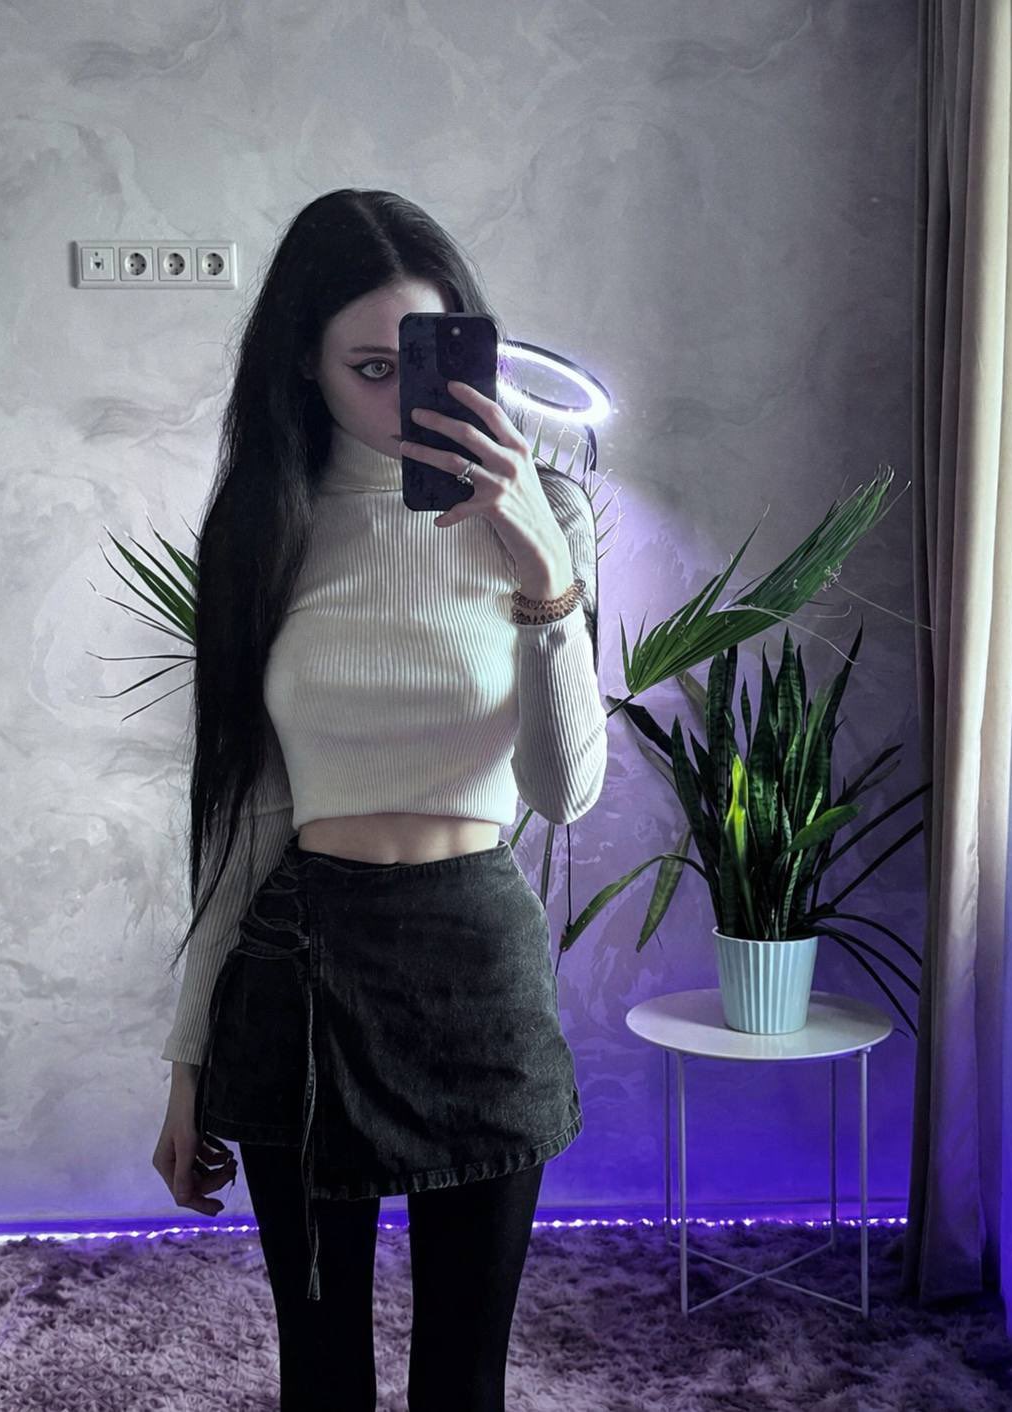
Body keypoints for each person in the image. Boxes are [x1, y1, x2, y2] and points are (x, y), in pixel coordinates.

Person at [150, 187, 606, 1412]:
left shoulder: (547, 513)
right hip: (302, 971)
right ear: (302, 364)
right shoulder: (265, 529)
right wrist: (187, 1062)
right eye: (368, 366)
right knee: (322, 1380)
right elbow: (243, 814)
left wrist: (541, 570)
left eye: (428, 355)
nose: (407, 397)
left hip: (477, 966)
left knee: (463, 1382)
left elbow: (565, 791)